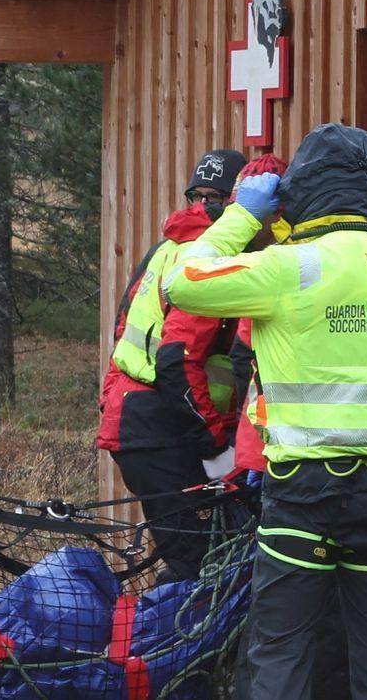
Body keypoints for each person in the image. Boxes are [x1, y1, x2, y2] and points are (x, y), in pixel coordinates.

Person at [165, 123, 367, 700]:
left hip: (306, 488)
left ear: (301, 194)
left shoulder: (290, 268)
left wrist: (242, 215)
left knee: (283, 647)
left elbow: (182, 281)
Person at [98, 149, 247, 581]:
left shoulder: (164, 250)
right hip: (161, 426)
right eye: (198, 196)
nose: (204, 206)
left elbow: (123, 331)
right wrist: (217, 441)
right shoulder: (205, 259)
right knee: (198, 565)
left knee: (193, 558)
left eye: (215, 197)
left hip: (143, 423)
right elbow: (174, 361)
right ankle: (165, 647)